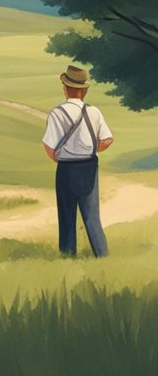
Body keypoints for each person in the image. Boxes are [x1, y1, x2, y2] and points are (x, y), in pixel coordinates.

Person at [42, 65, 115, 258]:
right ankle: (102, 255)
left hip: (66, 168)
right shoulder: (94, 112)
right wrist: (89, 149)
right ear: (84, 91)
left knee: (66, 216)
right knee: (92, 216)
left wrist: (63, 156)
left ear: (65, 89)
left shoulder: (57, 113)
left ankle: (67, 256)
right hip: (89, 167)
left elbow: (49, 147)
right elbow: (107, 140)